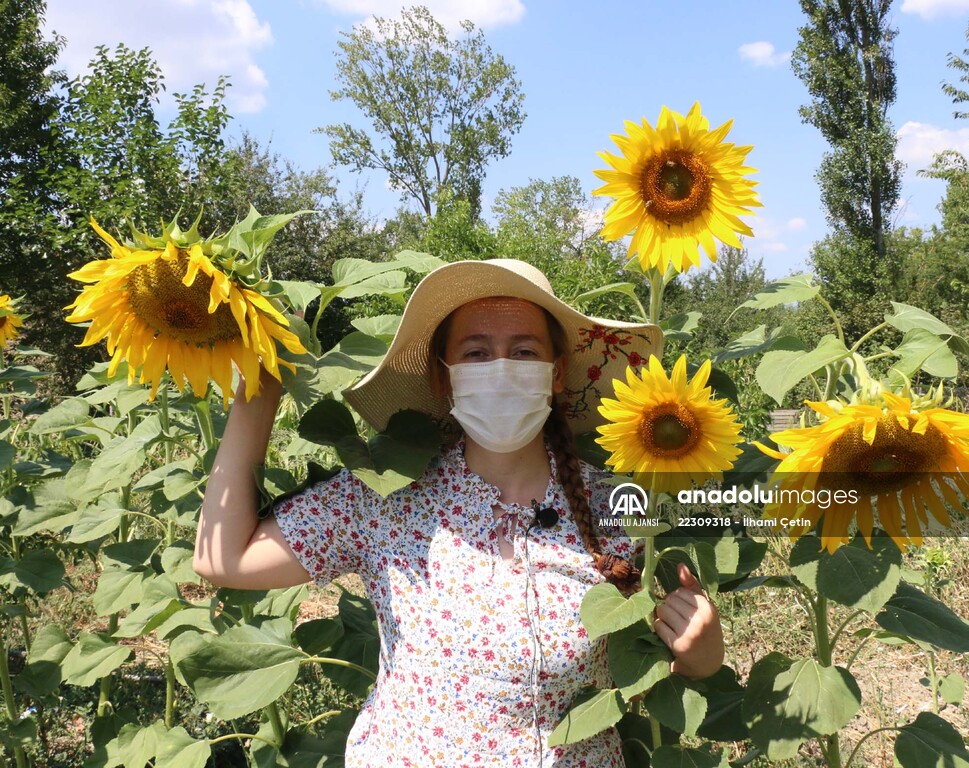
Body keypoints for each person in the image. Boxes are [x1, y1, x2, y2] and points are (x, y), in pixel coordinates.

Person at [193, 259, 725, 768]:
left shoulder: (618, 508)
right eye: (475, 353)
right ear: (444, 378)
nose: (500, 369)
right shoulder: (384, 495)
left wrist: (700, 655)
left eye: (523, 351)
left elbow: (647, 666)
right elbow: (223, 559)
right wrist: (259, 391)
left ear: (556, 373)